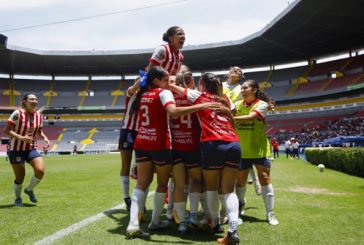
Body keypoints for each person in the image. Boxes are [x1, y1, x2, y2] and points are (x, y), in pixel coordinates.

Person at [125, 67, 220, 239]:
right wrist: (201, 105)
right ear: (157, 81)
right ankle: (155, 221)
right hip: (160, 143)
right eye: (166, 80)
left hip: (142, 141)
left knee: (142, 184)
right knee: (163, 184)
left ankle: (133, 224)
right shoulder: (164, 93)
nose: (169, 83)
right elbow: (173, 112)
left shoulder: (143, 94)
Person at [169, 72, 241, 245]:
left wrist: (163, 81)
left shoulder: (200, 95)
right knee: (229, 190)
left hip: (212, 143)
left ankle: (215, 223)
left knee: (211, 188)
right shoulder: (225, 99)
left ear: (201, 84)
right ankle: (233, 230)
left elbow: (173, 87)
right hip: (233, 142)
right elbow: (233, 121)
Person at [233, 80, 279, 226]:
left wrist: (231, 118)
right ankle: (239, 208)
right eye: (242, 88)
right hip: (241, 150)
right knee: (240, 182)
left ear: (254, 90)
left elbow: (251, 117)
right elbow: (229, 111)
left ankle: (270, 213)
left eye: (245, 88)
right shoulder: (238, 105)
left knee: (265, 178)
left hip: (259, 149)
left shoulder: (262, 104)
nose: (242, 90)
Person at [3, 94, 50, 206]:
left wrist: (45, 139)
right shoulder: (17, 113)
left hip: (31, 148)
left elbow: (39, 131)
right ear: (24, 101)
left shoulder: (39, 115)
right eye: (31, 99)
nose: (34, 101)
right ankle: (18, 198)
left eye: (36, 99)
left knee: (40, 170)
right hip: (16, 149)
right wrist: (22, 138)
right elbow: (6, 130)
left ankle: (29, 190)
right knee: (20, 177)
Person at [118, 78, 141, 211]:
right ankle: (127, 197)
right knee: (125, 166)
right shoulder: (131, 92)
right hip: (127, 131)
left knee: (141, 167)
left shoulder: (148, 94)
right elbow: (133, 88)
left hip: (142, 132)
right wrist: (139, 81)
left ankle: (138, 199)